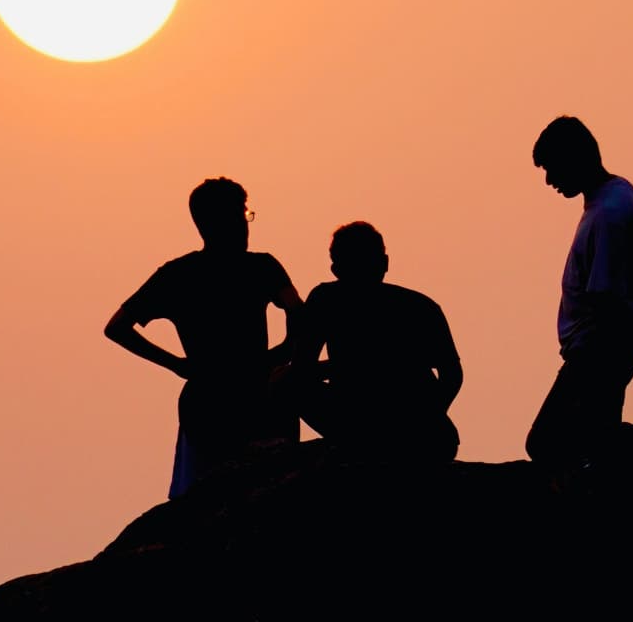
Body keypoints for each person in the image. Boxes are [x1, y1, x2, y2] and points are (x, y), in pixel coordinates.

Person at [105, 177, 303, 499]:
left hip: (206, 399)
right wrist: (285, 353)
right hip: (257, 396)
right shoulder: (262, 267)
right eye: (242, 214)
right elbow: (298, 310)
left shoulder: (177, 274)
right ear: (221, 220)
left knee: (205, 496)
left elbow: (117, 327)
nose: (246, 224)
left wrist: (178, 365)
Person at [525, 117, 633, 477]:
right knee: (593, 438)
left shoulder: (608, 215)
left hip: (601, 347)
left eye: (552, 169)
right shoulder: (616, 196)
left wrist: (588, 363)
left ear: (574, 159)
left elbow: (606, 301)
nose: (550, 180)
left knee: (548, 442)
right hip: (605, 346)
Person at [293, 223, 463, 466]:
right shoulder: (420, 306)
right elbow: (452, 375)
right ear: (385, 262)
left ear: (335, 269)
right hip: (428, 436)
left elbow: (302, 368)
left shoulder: (325, 299)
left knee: (285, 383)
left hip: (367, 424)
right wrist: (432, 415)